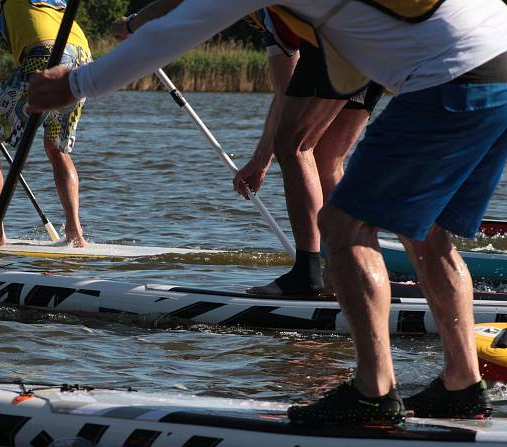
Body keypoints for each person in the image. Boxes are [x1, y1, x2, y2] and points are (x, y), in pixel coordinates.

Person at [27, 0, 507, 424]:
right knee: (428, 235)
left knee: (343, 225)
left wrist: (77, 82)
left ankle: (372, 393)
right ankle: (462, 385)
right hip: (498, 59)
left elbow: (176, 31)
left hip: (449, 77)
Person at [112, 3, 383, 296]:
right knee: (326, 158)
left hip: (341, 40)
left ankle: (308, 275)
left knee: (296, 147)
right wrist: (260, 159)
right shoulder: (270, 18)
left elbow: (174, 5)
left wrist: (130, 26)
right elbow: (287, 92)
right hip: (376, 43)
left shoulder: (268, 14)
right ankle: (349, 271)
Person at [0, 0, 90, 247]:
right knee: (56, 147)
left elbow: (40, 59)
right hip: (82, 57)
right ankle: (75, 233)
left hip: (44, 54)